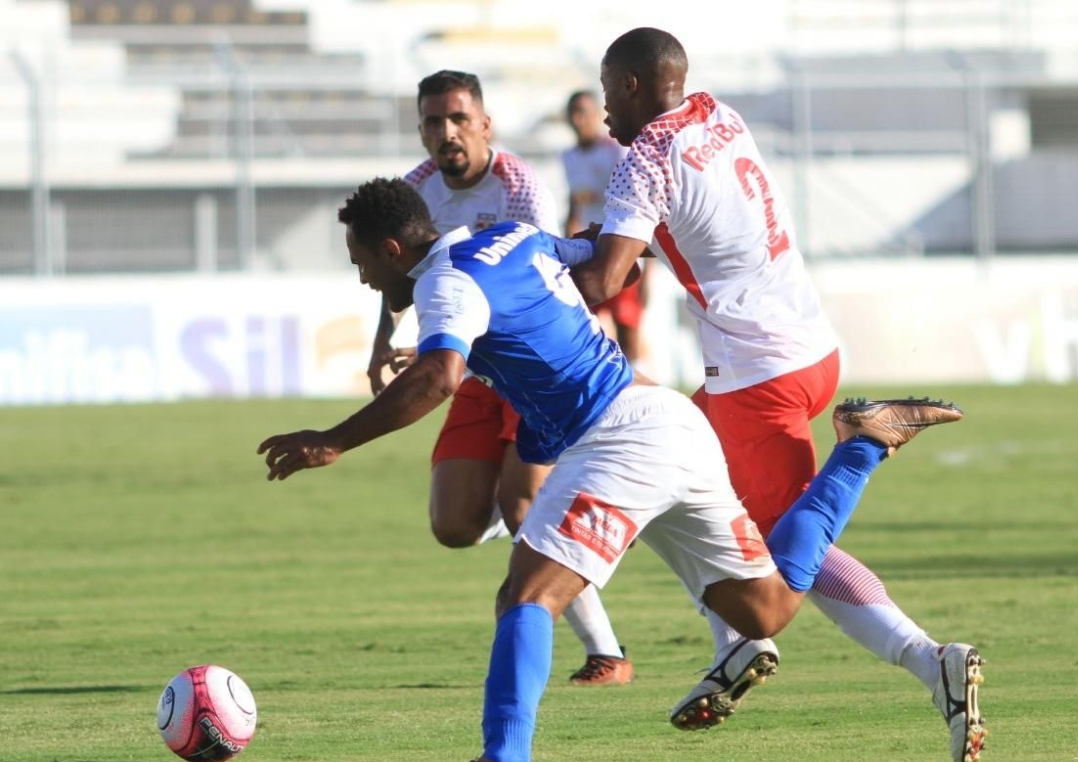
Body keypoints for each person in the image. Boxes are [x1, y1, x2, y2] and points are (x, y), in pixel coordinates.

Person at [256, 177, 964, 762]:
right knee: (767, 608)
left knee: (527, 596)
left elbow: (440, 377)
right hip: (669, 423)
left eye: (362, 264)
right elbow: (593, 253)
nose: (362, 278)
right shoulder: (507, 235)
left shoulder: (445, 282)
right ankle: (864, 445)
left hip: (618, 438)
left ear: (390, 248)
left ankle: (504, 756)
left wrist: (334, 439)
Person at [568, 27, 987, 762]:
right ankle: (734, 646)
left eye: (607, 91)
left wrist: (515, 288)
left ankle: (925, 653)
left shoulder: (644, 158)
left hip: (755, 375)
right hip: (808, 349)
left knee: (794, 561)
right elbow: (642, 244)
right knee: (667, 477)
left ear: (632, 84)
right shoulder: (718, 114)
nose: (602, 111)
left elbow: (608, 279)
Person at [365, 70, 632, 686]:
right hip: (470, 367)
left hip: (523, 365)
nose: (446, 132)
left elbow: (528, 275)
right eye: (434, 121)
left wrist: (446, 344)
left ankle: (607, 654)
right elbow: (397, 270)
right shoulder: (416, 189)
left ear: (485, 125)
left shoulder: (518, 186)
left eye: (459, 119)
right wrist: (388, 340)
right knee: (453, 526)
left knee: (520, 503)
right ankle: (544, 506)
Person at [562, 90, 651, 367]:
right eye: (573, 114)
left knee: (626, 321)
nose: (578, 120)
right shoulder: (568, 157)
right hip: (589, 249)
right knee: (583, 322)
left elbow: (643, 207)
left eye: (584, 113)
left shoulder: (616, 152)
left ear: (597, 116)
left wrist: (650, 271)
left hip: (622, 246)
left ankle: (638, 384)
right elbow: (574, 204)